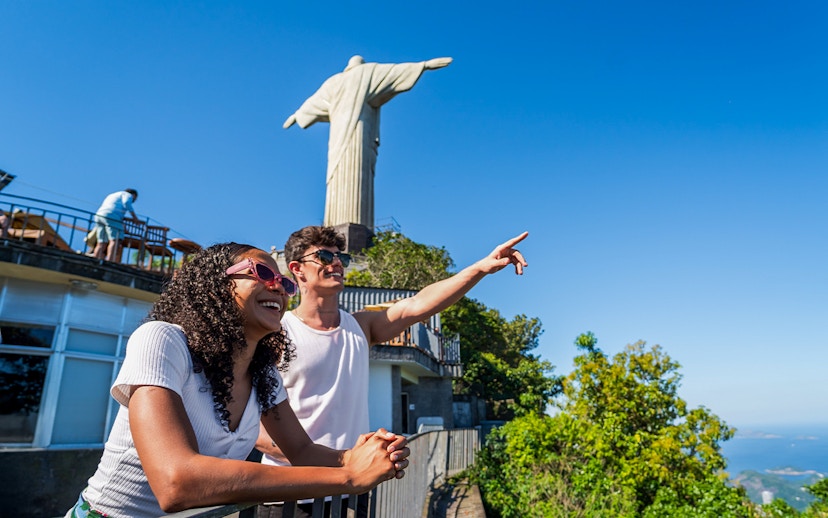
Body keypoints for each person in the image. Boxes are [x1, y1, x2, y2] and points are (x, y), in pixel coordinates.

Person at [66, 243, 409, 518]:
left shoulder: (264, 373)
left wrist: (358, 456)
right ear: (218, 285)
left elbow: (302, 451)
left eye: (285, 283)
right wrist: (347, 477)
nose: (279, 286)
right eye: (262, 272)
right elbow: (176, 483)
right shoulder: (163, 340)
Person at [256, 227, 528, 517]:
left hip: (349, 493)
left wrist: (480, 268)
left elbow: (417, 305)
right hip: (289, 497)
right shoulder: (276, 333)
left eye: (341, 258)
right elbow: (256, 432)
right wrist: (340, 462)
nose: (336, 263)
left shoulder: (361, 327)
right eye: (324, 256)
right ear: (296, 268)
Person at [283, 56, 452, 229]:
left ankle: (345, 227)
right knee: (341, 173)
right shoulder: (366, 72)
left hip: (351, 135)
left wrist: (296, 115)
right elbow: (393, 72)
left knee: (350, 172)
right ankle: (341, 228)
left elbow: (312, 103)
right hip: (351, 134)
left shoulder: (334, 82)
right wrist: (424, 65)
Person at [92, 188, 139, 262]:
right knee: (115, 240)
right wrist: (135, 218)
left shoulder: (113, 195)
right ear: (133, 195)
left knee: (101, 242)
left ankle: (95, 259)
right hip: (112, 216)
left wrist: (123, 227)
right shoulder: (127, 195)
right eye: (134, 199)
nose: (133, 201)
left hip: (100, 215)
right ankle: (110, 261)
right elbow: (126, 202)